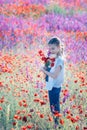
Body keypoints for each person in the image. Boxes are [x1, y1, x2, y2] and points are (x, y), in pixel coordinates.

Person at [40, 37, 64, 128]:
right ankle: (56, 123)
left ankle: (57, 124)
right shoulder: (50, 59)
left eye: (53, 48)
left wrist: (43, 70)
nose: (51, 51)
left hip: (56, 87)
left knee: (55, 107)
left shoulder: (60, 61)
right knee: (52, 107)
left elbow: (54, 75)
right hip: (51, 86)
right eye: (49, 49)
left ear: (58, 47)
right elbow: (48, 71)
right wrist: (46, 65)